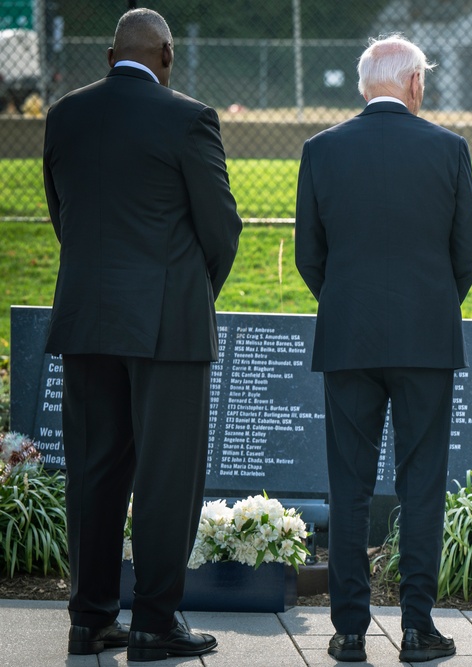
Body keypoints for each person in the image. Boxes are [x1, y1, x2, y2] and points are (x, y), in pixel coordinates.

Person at [42, 8, 242, 663]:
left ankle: (90, 619)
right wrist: (189, 295)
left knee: (94, 472)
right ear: (166, 55)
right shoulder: (188, 117)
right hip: (167, 325)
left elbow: (61, 213)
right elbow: (221, 228)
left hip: (87, 316)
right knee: (166, 476)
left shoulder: (65, 115)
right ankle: (155, 621)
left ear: (109, 57)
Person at [294, 34, 472, 663]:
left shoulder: (320, 151)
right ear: (415, 85)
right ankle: (417, 627)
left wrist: (349, 302)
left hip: (348, 337)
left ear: (363, 85)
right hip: (426, 339)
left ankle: (348, 631)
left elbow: (308, 256)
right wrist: (428, 304)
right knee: (422, 484)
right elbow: (467, 256)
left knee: (348, 486)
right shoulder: (449, 149)